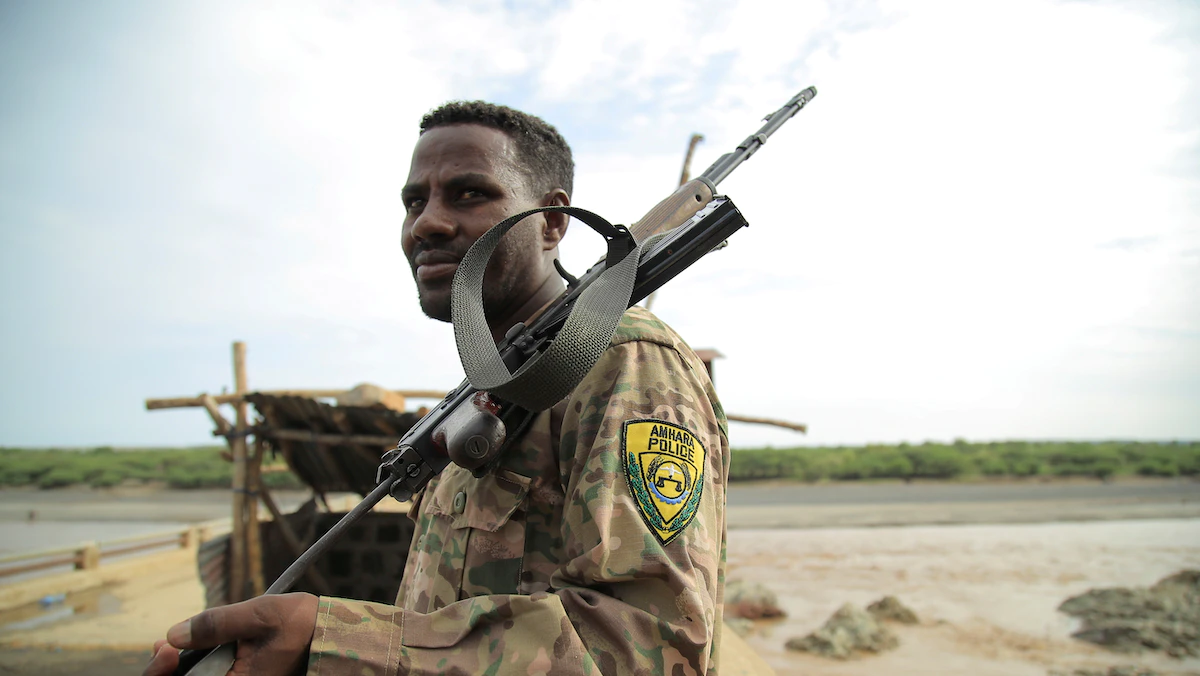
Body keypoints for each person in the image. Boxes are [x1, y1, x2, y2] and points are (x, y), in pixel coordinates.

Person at [144, 102, 730, 676]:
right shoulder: (481, 390)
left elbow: (648, 650)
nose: (426, 224)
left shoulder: (623, 360)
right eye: (414, 202)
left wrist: (333, 645)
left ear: (553, 222)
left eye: (469, 193)